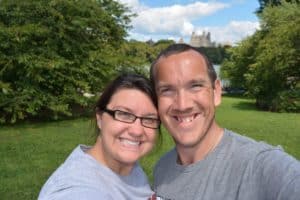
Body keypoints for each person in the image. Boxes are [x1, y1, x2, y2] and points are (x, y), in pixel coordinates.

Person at [150, 43, 300, 200]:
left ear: (216, 92)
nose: (182, 104)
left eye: (195, 86)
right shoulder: (162, 167)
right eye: (167, 90)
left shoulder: (262, 167)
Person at [38, 73, 160, 200]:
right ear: (100, 118)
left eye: (149, 119)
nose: (137, 131)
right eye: (124, 114)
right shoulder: (75, 191)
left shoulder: (129, 168)